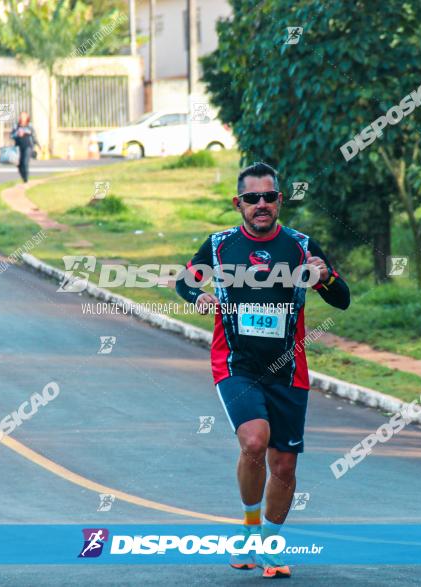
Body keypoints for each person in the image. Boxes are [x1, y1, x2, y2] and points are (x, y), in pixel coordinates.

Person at [175, 162, 350, 578]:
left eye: (268, 197)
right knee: (255, 441)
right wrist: (197, 295)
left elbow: (342, 298)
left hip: (289, 370)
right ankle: (249, 530)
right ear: (238, 204)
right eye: (251, 198)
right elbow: (184, 280)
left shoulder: (302, 246)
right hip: (236, 363)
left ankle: (270, 544)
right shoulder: (219, 246)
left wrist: (324, 278)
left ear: (279, 201)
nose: (261, 205)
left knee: (284, 465)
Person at [11, 111, 36, 183]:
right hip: (18, 147)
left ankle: (26, 179)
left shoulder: (30, 126)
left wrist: (26, 132)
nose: (22, 118)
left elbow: (34, 135)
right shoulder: (16, 126)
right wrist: (17, 134)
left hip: (28, 146)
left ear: (27, 117)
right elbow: (11, 135)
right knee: (19, 164)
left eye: (24, 116)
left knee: (25, 162)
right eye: (21, 116)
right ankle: (23, 177)